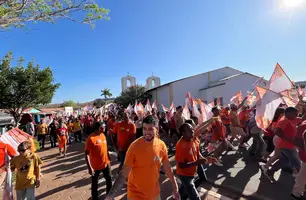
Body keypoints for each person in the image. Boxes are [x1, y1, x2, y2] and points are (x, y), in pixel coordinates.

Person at [105, 115, 180, 200]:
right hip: (136, 195)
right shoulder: (134, 147)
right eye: (144, 129)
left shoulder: (161, 145)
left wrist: (175, 186)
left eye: (150, 129)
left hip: (154, 194)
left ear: (157, 129)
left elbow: (167, 167)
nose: (147, 132)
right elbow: (123, 174)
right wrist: (110, 196)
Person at [176, 122, 217, 200]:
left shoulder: (194, 139)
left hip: (192, 172)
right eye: (190, 130)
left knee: (184, 189)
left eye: (192, 128)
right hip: (184, 175)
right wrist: (196, 162)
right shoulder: (180, 146)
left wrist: (207, 159)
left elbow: (198, 154)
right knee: (194, 196)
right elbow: (181, 165)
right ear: (183, 134)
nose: (192, 131)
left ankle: (179, 197)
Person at [264, 107, 304, 180]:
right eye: (295, 114)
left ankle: (270, 172)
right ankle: (302, 183)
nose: (296, 116)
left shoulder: (289, 120)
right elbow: (277, 132)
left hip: (287, 145)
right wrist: (290, 140)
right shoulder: (284, 121)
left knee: (284, 161)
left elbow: (302, 119)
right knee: (298, 163)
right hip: (287, 146)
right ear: (289, 113)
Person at [85, 122, 112, 200]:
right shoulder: (90, 139)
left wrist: (108, 155)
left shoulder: (103, 135)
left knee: (109, 179)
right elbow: (86, 154)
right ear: (99, 128)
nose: (105, 127)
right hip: (95, 166)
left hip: (105, 163)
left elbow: (105, 147)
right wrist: (89, 167)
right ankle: (95, 197)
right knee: (95, 183)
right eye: (103, 126)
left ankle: (109, 195)